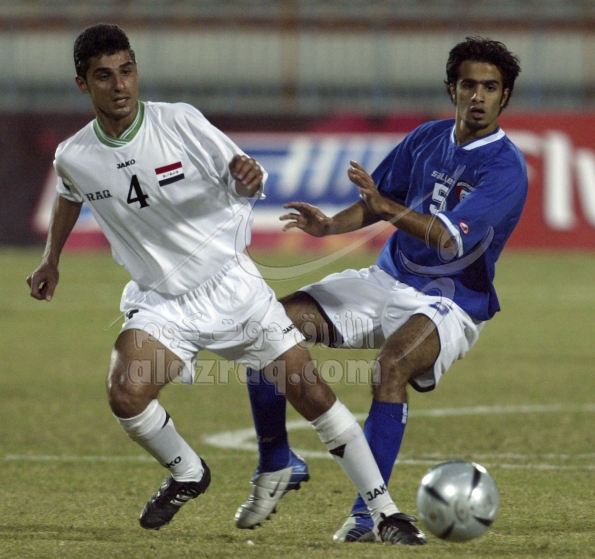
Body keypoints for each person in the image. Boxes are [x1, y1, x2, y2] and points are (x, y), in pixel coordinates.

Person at [26, 23, 426, 545]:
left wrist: (248, 178)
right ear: (83, 84)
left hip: (232, 288)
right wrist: (51, 259)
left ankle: (385, 512)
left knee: (312, 394)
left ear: (136, 71)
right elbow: (68, 192)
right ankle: (188, 472)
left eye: (127, 71)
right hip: (163, 302)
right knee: (126, 392)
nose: (120, 85)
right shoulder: (74, 155)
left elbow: (246, 172)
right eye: (104, 76)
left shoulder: (179, 122)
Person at [236, 36, 527, 543]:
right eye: (468, 85)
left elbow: (445, 237)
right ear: (452, 89)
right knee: (266, 328)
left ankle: (366, 516)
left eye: (490, 87)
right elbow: (379, 199)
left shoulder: (505, 168)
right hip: (385, 279)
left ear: (505, 96)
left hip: (450, 302)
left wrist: (384, 206)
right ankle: (277, 459)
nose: (478, 96)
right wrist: (330, 226)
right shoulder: (427, 137)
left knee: (390, 367)